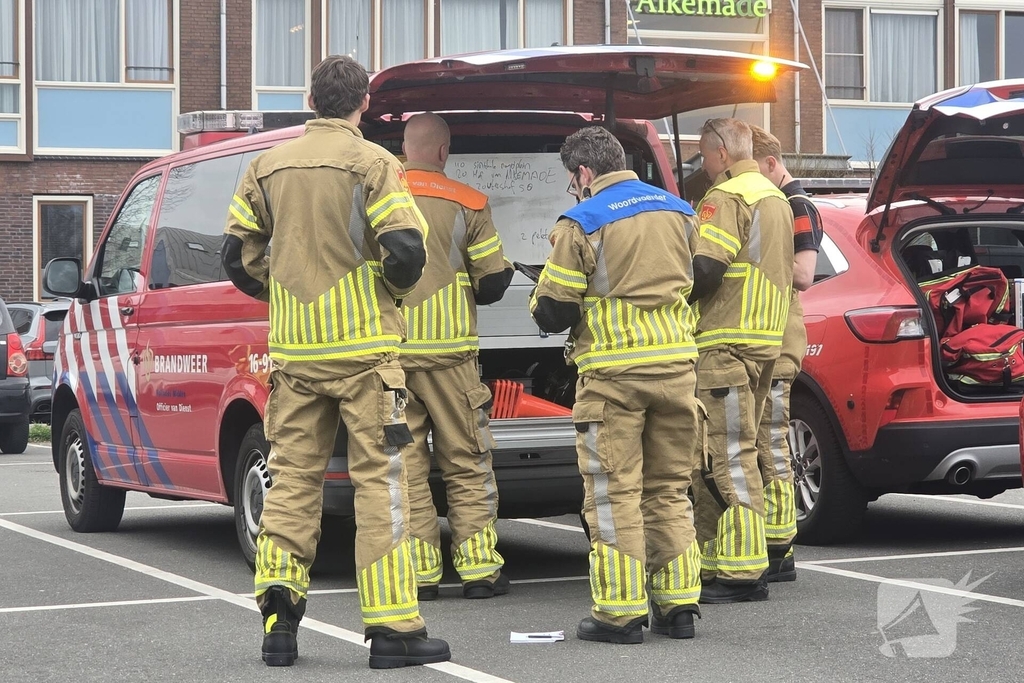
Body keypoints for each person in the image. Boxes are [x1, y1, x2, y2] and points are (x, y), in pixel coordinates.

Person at [222, 55, 450, 669]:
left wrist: (283, 290)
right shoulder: (375, 163)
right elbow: (405, 250)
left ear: (310, 100)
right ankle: (393, 628)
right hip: (365, 353)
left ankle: (278, 620)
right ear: (364, 103)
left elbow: (236, 256)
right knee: (382, 485)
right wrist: (386, 293)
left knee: (291, 481)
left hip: (296, 354)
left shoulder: (265, 165)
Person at [530, 126, 705, 644]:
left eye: (572, 179)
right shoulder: (681, 211)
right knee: (669, 489)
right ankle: (678, 605)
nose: (574, 188)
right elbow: (693, 279)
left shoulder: (582, 221)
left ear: (584, 172)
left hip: (614, 377)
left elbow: (556, 308)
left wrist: (540, 295)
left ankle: (620, 613)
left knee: (614, 493)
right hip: (677, 370)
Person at [398, 112, 515, 600]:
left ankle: (420, 574)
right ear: (444, 152)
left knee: (405, 466)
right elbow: (490, 283)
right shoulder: (470, 201)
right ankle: (479, 570)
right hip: (451, 356)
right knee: (467, 461)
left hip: (391, 357)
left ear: (404, 149)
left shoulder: (376, 195)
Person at [688, 118, 794, 604]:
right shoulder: (775, 197)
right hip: (764, 340)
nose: (702, 165)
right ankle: (719, 559)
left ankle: (742, 572)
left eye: (703, 155)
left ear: (721, 154)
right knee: (739, 450)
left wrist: (668, 290)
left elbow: (707, 268)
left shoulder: (727, 197)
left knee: (726, 454)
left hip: (725, 340)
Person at [750, 125, 823, 583]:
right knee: (762, 441)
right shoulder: (782, 203)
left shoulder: (796, 205)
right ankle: (773, 541)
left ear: (771, 164)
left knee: (772, 442)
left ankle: (780, 547)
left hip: (778, 340)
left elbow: (803, 274)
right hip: (767, 338)